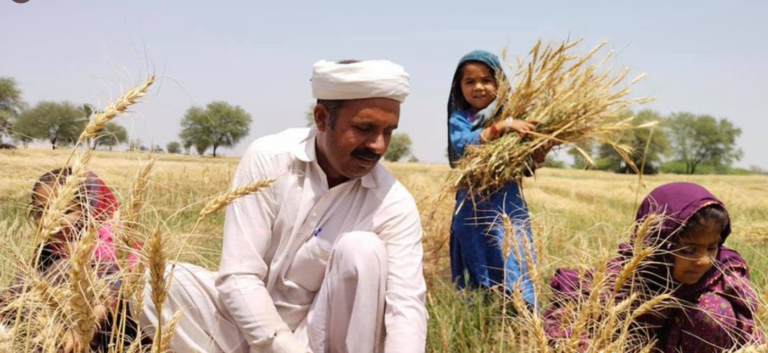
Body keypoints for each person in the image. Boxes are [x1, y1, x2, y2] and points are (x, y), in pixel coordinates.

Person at [140, 59, 428, 353]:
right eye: (365, 128)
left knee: (362, 250)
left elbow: (406, 305)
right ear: (321, 118)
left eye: (388, 131)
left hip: (320, 341)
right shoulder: (271, 158)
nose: (378, 145)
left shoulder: (393, 202)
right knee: (151, 282)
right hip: (244, 324)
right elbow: (239, 275)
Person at [544, 182, 764, 352]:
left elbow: (750, 335)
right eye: (688, 250)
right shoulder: (622, 278)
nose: (704, 260)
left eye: (711, 248)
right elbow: (565, 327)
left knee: (713, 310)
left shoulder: (724, 274)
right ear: (656, 245)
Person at [1, 168, 144, 352]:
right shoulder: (48, 251)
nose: (48, 220)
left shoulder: (112, 245)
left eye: (66, 211)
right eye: (39, 211)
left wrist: (83, 327)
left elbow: (111, 290)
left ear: (90, 209)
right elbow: (14, 294)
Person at [447, 50, 549, 306]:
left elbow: (525, 167)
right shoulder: (460, 119)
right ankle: (482, 321)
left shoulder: (516, 118)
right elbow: (462, 146)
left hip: (507, 206)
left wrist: (539, 151)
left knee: (513, 258)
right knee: (477, 260)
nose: (478, 87)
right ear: (459, 87)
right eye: (469, 81)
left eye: (486, 80)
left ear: (499, 83)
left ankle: (520, 319)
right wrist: (499, 128)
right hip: (473, 207)